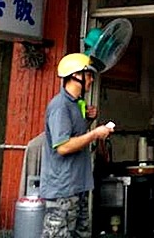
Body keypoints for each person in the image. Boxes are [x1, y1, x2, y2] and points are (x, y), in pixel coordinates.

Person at [40, 53, 115, 238]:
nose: (91, 80)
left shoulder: (76, 105)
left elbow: (75, 136)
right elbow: (63, 146)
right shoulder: (60, 107)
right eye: (88, 75)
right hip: (62, 189)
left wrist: (88, 121)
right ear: (75, 76)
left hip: (77, 185)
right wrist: (94, 134)